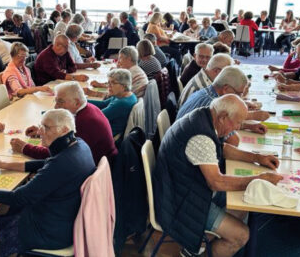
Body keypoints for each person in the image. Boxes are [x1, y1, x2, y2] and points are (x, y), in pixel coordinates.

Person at [154, 94, 282, 257]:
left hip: (182, 189)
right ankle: (196, 250)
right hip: (179, 202)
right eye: (237, 122)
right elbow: (216, 182)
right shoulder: (200, 136)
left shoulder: (205, 115)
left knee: (242, 202)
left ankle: (196, 245)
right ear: (223, 117)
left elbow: (222, 149)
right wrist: (258, 179)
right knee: (241, 235)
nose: (238, 127)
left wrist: (258, 158)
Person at [0, 109, 95, 257]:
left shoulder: (62, 163)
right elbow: (46, 163)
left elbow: (20, 197)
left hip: (51, 234)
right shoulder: (79, 145)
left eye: (46, 128)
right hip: (66, 220)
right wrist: (5, 164)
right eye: (41, 126)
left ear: (64, 130)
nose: (40, 132)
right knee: (5, 209)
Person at [11, 82, 117, 164]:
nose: (56, 106)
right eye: (56, 100)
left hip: (95, 170)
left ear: (77, 102)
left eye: (60, 101)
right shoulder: (87, 108)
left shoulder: (85, 121)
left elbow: (58, 152)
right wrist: (43, 131)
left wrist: (25, 148)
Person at [177, 66, 270, 141]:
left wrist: (248, 126)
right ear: (225, 89)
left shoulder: (206, 92)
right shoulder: (213, 106)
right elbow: (233, 141)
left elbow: (222, 126)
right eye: (238, 94)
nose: (240, 98)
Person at [88, 69, 137, 137]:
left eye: (113, 83)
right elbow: (103, 104)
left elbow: (97, 117)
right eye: (109, 82)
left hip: (109, 136)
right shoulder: (124, 95)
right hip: (108, 129)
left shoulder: (121, 103)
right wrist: (83, 101)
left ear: (124, 86)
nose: (109, 86)